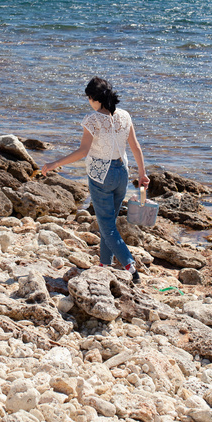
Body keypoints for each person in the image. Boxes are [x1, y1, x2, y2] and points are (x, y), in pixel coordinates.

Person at [41, 76, 149, 283]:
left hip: (101, 175)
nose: (88, 101)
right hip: (122, 174)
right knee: (108, 222)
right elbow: (136, 147)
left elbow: (83, 151)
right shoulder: (125, 116)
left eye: (88, 98)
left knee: (107, 225)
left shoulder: (93, 120)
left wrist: (55, 164)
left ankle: (130, 266)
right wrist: (142, 174)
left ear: (93, 98)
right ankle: (104, 264)